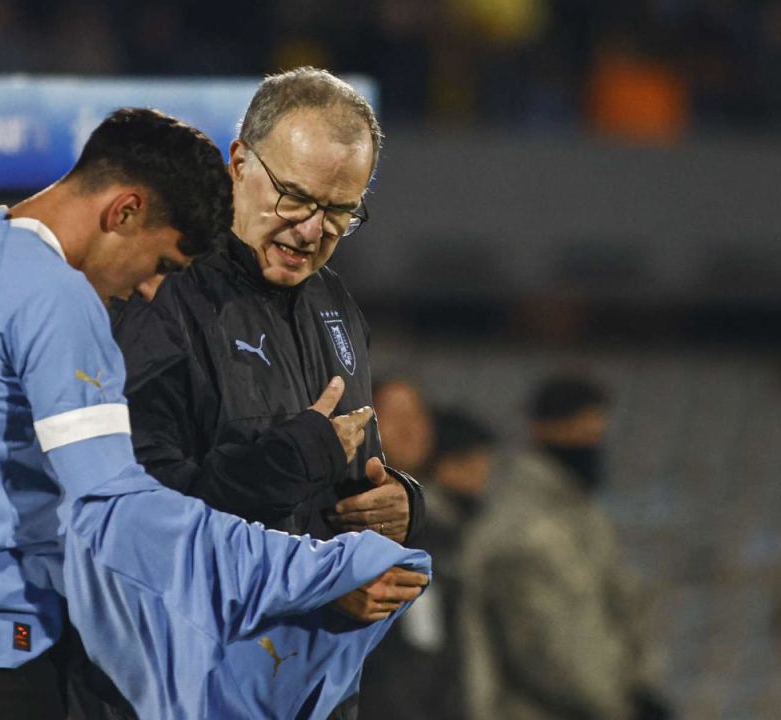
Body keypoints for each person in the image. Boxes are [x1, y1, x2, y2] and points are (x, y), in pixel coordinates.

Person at [0, 107, 429, 720]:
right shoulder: (55, 295)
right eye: (160, 265)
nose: (151, 289)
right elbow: (120, 511)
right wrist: (322, 572)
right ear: (124, 210)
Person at [102, 67, 428, 718]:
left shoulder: (335, 304)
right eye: (294, 198)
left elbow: (348, 473)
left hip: (311, 691)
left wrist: (395, 503)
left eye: (340, 211)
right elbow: (136, 521)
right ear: (239, 163)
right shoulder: (156, 292)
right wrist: (316, 583)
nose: (312, 231)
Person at [459, 375, 671, 720]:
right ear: (542, 431)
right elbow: (547, 650)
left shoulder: (584, 517)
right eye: (582, 432)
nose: (593, 443)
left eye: (597, 433)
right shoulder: (522, 527)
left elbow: (621, 609)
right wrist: (621, 706)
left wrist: (640, 688)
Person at [359, 405, 497, 720]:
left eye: (417, 417)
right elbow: (412, 656)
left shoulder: (447, 532)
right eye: (397, 417)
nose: (413, 431)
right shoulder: (394, 532)